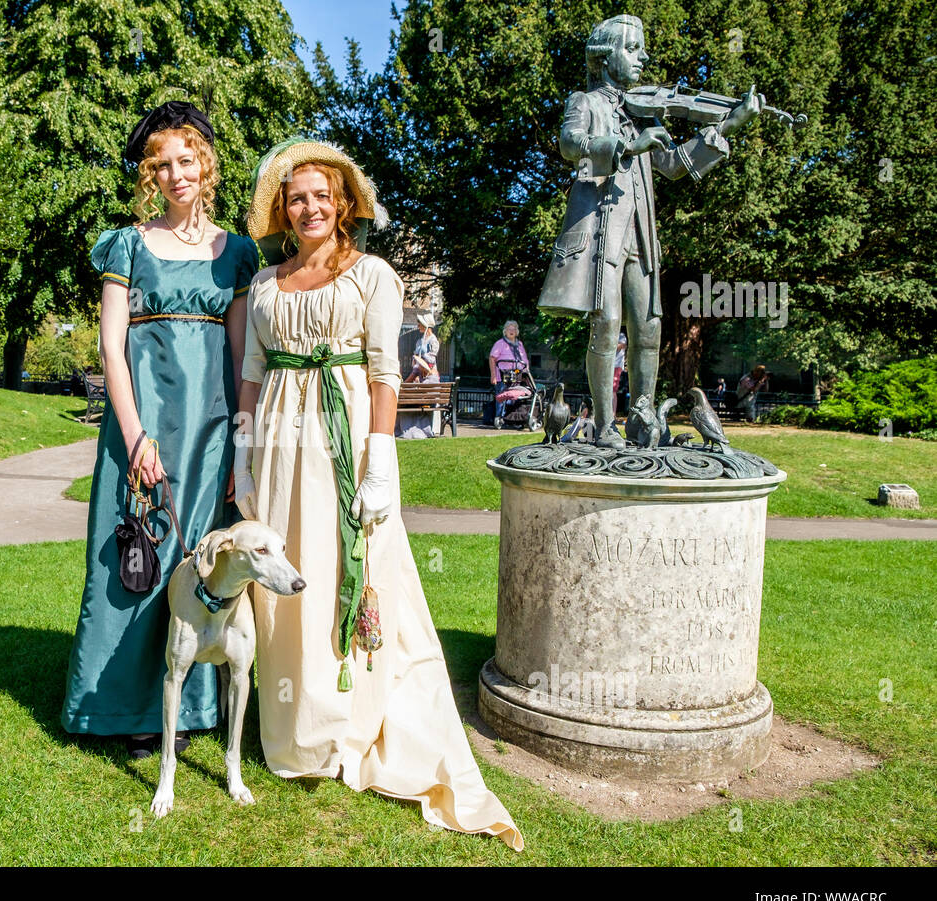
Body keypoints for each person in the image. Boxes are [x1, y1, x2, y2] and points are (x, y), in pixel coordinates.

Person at [234, 138, 524, 846]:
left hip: (343, 438)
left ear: (343, 206)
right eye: (296, 197)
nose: (309, 207)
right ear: (282, 207)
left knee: (346, 567)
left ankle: (348, 725)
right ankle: (292, 728)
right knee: (283, 578)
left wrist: (381, 459)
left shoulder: (373, 274)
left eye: (321, 197)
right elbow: (249, 368)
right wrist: (242, 452)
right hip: (275, 441)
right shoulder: (264, 286)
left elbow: (383, 373)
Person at [60, 102, 260, 759]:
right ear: (151, 174)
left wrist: (243, 441)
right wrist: (134, 434)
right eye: (163, 164)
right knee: (133, 563)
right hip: (140, 431)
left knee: (195, 561)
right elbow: (112, 350)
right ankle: (125, 707)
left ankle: (199, 702)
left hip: (209, 439)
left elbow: (239, 357)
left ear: (207, 162)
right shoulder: (126, 245)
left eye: (187, 160)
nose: (177, 174)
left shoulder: (236, 254)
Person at [537, 14, 763, 448]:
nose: (642, 58)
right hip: (602, 237)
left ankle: (642, 418)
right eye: (633, 49)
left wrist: (729, 125)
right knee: (606, 326)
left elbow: (676, 165)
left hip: (641, 238)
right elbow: (572, 147)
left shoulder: (641, 113)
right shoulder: (586, 102)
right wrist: (623, 146)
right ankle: (604, 427)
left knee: (649, 330)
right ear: (604, 58)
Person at [395, 313, 440, 438]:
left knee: (410, 398)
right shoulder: (419, 341)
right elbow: (416, 365)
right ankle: (410, 428)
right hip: (420, 377)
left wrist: (419, 361)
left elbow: (430, 361)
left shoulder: (433, 341)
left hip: (428, 377)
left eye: (420, 323)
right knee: (409, 397)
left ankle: (412, 429)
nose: (418, 325)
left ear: (426, 325)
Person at [489, 320, 530, 427]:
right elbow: (492, 358)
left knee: (516, 398)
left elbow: (525, 360)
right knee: (502, 397)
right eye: (509, 329)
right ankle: (500, 419)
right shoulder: (500, 344)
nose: (511, 331)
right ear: (505, 331)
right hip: (503, 376)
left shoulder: (520, 344)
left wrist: (526, 374)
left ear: (517, 332)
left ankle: (513, 420)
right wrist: (493, 375)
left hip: (517, 376)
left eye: (514, 329)